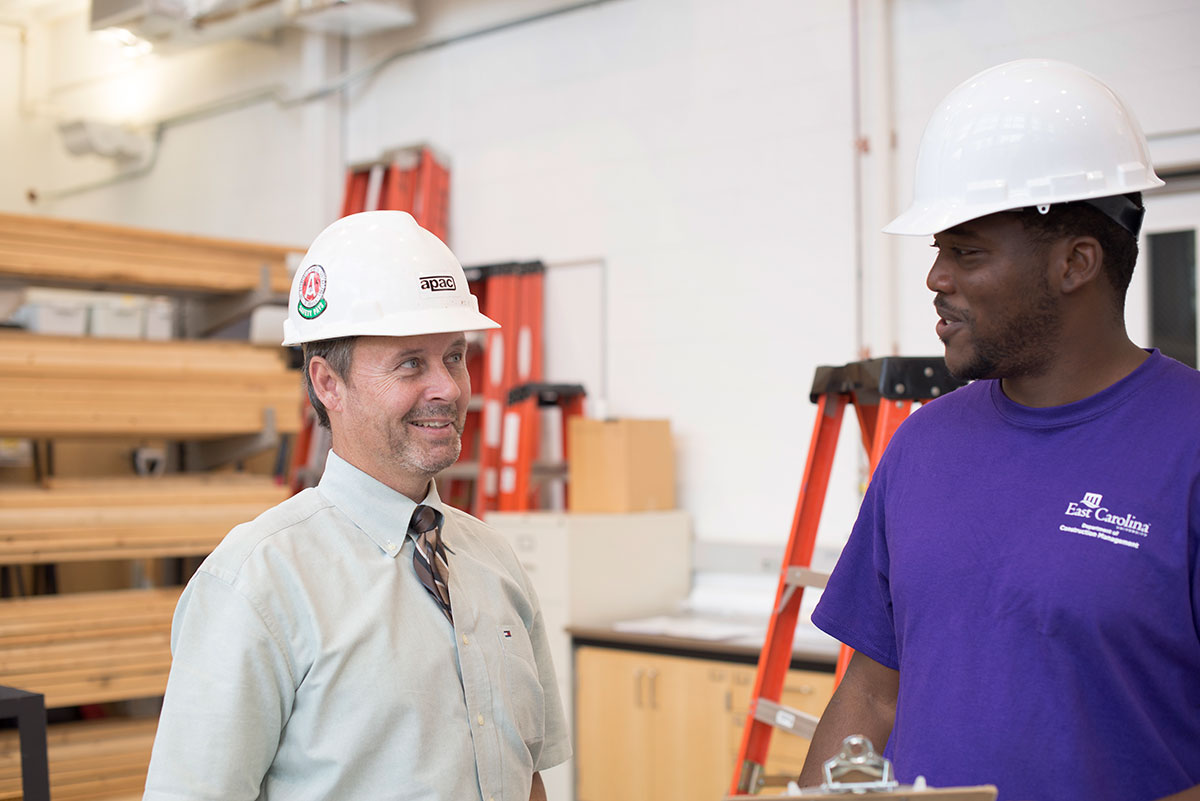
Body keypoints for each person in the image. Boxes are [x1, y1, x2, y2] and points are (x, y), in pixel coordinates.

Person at [798, 59, 1200, 801]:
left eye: (967, 251)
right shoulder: (920, 447)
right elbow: (872, 696)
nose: (935, 279)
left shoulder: (1189, 446)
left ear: (1075, 262)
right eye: (937, 251)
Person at [143, 210, 570, 801]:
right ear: (327, 384)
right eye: (410, 363)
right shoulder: (257, 582)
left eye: (454, 356)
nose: (447, 387)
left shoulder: (493, 562)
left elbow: (528, 777)